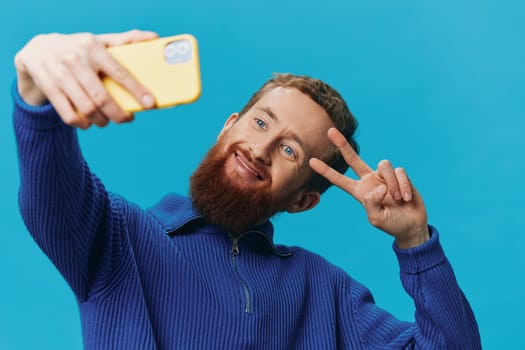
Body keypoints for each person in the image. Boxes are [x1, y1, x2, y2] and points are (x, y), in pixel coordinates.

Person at [13, 30, 481, 349]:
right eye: (260, 122)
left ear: (303, 201)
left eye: (290, 151)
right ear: (227, 127)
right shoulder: (117, 236)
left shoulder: (326, 292)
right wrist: (37, 93)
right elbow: (50, 197)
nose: (260, 149)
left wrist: (415, 243)